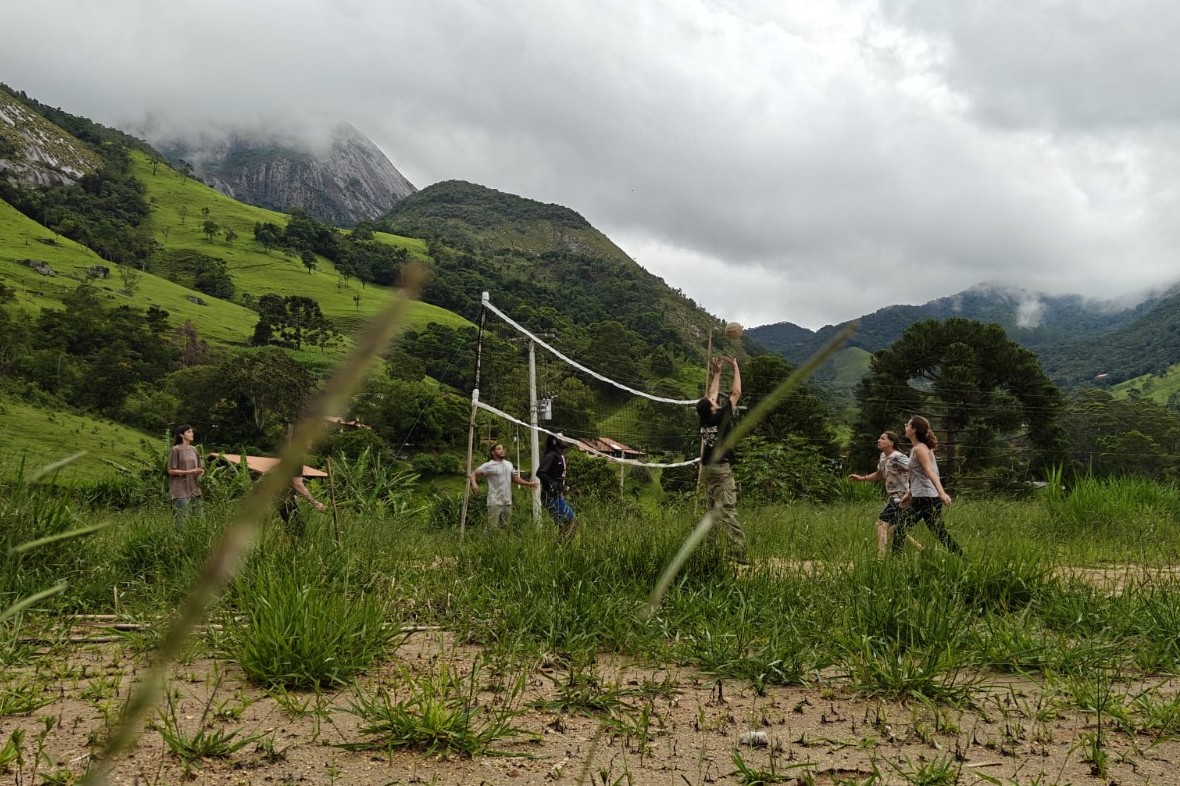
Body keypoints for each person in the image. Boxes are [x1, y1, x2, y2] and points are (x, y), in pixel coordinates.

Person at [696, 355, 747, 564]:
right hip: (720, 469)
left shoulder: (704, 417)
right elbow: (736, 393)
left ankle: (712, 548)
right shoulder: (721, 416)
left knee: (711, 510)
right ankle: (738, 551)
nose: (714, 399)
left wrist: (717, 373)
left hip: (706, 469)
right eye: (712, 402)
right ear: (712, 408)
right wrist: (735, 367)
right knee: (727, 509)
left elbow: (711, 394)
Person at [892, 415, 963, 556]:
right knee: (939, 532)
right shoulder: (918, 448)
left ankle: (894, 564)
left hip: (926, 498)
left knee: (900, 528)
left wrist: (942, 493)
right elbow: (919, 476)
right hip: (924, 496)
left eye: (908, 425)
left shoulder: (920, 449)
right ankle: (963, 559)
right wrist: (910, 493)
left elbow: (930, 472)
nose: (905, 427)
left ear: (913, 429)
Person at [849, 431, 921, 558]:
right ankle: (922, 550)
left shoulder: (898, 457)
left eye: (882, 438)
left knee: (881, 524)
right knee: (894, 529)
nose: (878, 440)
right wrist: (861, 478)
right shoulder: (883, 456)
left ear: (891, 443)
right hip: (892, 498)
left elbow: (916, 470)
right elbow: (879, 474)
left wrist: (914, 491)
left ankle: (880, 559)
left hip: (901, 498)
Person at [469, 442, 539, 528]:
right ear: (493, 452)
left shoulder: (508, 464)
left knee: (506, 527)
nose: (502, 450)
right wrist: (474, 484)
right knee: (493, 527)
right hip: (494, 501)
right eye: (499, 449)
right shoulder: (488, 465)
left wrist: (528, 484)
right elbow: (474, 473)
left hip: (507, 501)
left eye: (502, 448)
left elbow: (514, 478)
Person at [537, 434, 576, 537]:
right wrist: (553, 483)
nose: (565, 439)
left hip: (557, 495)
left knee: (564, 525)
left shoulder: (561, 456)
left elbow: (559, 475)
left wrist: (567, 486)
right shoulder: (551, 455)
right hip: (550, 497)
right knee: (572, 521)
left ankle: (559, 549)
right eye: (561, 438)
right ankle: (562, 547)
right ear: (555, 441)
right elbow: (540, 472)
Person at [167, 424, 204, 525]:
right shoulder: (175, 450)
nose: (192, 433)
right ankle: (178, 540)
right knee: (182, 520)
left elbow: (201, 467)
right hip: (179, 489)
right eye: (188, 432)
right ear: (181, 435)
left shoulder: (194, 449)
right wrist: (190, 472)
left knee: (200, 518)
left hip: (194, 489)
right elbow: (171, 471)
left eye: (192, 431)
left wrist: (200, 472)